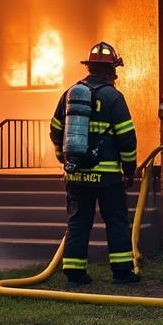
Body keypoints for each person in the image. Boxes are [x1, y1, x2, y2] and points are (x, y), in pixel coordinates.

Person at [48, 42, 140, 288]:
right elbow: (127, 137)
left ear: (89, 67)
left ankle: (75, 275)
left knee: (78, 222)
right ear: (111, 71)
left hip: (77, 174)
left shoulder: (70, 93)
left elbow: (56, 130)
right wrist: (130, 169)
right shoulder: (113, 97)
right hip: (108, 177)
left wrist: (64, 159)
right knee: (116, 222)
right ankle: (122, 272)